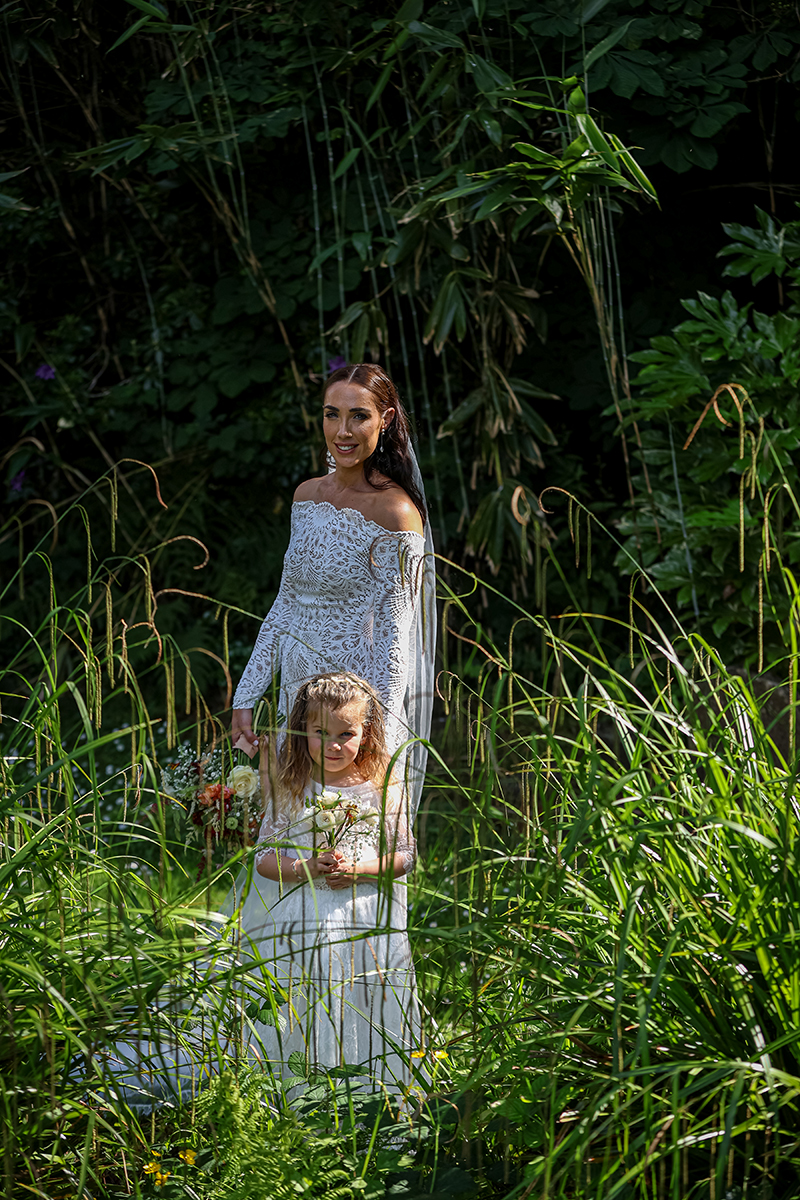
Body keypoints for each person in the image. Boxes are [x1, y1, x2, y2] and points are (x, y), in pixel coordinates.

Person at [230, 363, 436, 823]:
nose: (342, 431)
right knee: (291, 834)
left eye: (358, 416)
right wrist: (247, 694)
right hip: (297, 695)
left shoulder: (396, 513)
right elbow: (284, 605)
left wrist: (375, 732)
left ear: (385, 419)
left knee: (350, 838)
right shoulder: (305, 498)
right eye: (331, 414)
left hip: (352, 709)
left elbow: (395, 638)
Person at [236, 671, 425, 1091]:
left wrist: (357, 871)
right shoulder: (293, 784)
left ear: (366, 732)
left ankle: (370, 1094)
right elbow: (264, 858)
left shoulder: (384, 785)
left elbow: (405, 856)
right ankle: (299, 1093)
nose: (335, 745)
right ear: (303, 731)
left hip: (367, 918)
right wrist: (305, 867)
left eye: (347, 733)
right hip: (303, 914)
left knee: (363, 999)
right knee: (306, 997)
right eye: (321, 732)